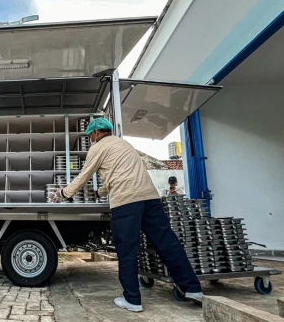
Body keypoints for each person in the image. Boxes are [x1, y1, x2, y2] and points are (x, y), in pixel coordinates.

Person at [51, 118, 203, 312]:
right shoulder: (124, 144)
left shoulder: (98, 148)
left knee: (127, 250)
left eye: (90, 135)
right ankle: (192, 288)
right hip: (150, 198)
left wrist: (64, 193)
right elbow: (118, 174)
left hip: (126, 202)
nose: (90, 139)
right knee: (167, 242)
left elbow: (84, 175)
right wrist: (99, 193)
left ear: (96, 133)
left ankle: (132, 299)